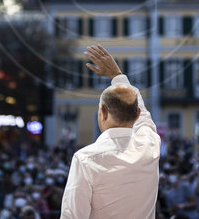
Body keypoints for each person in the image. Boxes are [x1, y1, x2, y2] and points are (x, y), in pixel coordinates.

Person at [60, 44, 161, 218]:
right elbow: (144, 115)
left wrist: (117, 76)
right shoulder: (150, 146)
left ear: (103, 112)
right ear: (136, 114)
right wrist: (118, 76)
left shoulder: (85, 159)